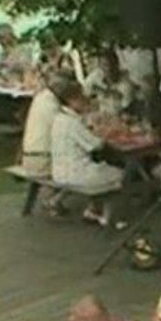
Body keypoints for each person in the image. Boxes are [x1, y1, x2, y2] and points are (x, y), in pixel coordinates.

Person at [50, 81, 124, 226]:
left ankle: (92, 210)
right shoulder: (72, 122)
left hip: (59, 171)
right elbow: (96, 145)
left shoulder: (59, 119)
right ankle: (106, 218)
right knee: (119, 175)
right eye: (81, 97)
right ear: (72, 101)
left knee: (99, 169)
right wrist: (106, 134)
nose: (85, 99)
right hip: (75, 173)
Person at [20, 70, 72, 179]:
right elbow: (67, 132)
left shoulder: (41, 98)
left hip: (30, 158)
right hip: (42, 161)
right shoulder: (52, 105)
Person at [82, 50, 136, 116]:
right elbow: (84, 94)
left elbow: (125, 111)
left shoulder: (126, 86)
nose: (108, 69)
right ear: (99, 66)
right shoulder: (94, 78)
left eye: (112, 64)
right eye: (104, 65)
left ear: (117, 65)